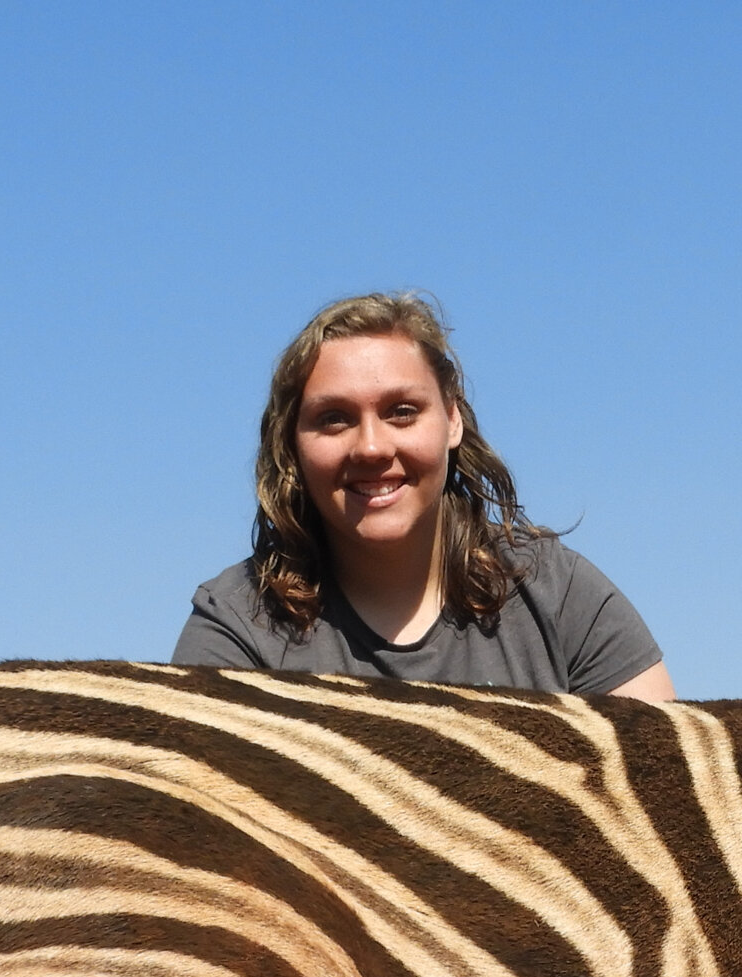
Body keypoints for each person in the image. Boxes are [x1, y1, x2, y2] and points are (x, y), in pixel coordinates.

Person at [172, 292, 676, 700]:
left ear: (452, 420)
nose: (371, 447)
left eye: (402, 411)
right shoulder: (237, 624)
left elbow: (659, 791)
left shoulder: (558, 594)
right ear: (292, 446)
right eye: (334, 419)